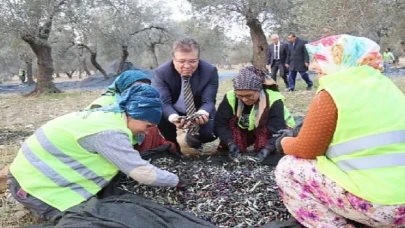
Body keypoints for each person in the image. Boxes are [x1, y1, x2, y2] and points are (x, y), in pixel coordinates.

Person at [275, 34, 405, 227]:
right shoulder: (387, 87)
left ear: (338, 60)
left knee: (288, 168)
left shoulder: (334, 91)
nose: (312, 66)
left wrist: (284, 142)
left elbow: (307, 149)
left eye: (319, 59)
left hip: (383, 205)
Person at [8, 84, 189, 221]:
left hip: (28, 176)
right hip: (35, 189)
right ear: (134, 114)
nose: (147, 131)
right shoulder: (110, 133)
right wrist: (176, 181)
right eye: (148, 125)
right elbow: (143, 173)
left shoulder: (108, 114)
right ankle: (36, 207)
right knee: (89, 220)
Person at [215, 66, 295, 162]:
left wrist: (268, 148)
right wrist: (230, 143)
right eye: (240, 96)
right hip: (246, 127)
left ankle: (264, 149)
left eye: (249, 95)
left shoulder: (273, 99)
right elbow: (221, 124)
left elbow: (277, 130)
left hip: (274, 129)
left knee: (265, 147)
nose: (244, 99)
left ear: (259, 90)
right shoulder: (230, 96)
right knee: (232, 128)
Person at [153, 37, 218, 152]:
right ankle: (174, 148)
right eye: (181, 61)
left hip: (198, 110)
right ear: (173, 59)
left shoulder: (209, 71)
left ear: (198, 59)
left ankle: (192, 139)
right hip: (172, 109)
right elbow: (164, 103)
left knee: (210, 132)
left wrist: (202, 113)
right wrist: (173, 117)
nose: (187, 66)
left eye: (192, 61)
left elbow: (208, 101)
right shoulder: (162, 72)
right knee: (160, 116)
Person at [86, 70, 176, 153]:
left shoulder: (143, 102)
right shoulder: (104, 104)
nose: (141, 90)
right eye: (136, 87)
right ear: (124, 86)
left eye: (145, 86)